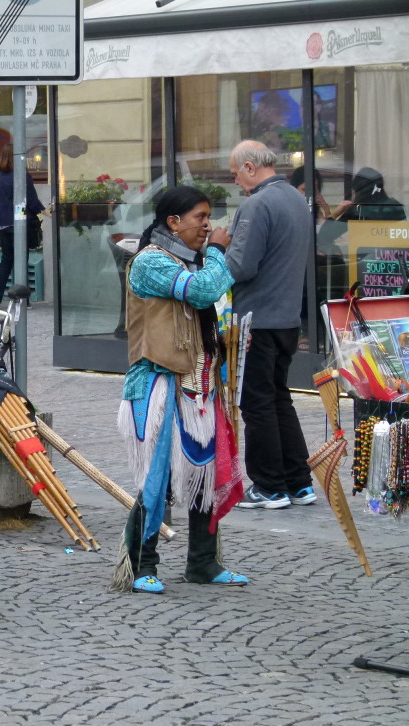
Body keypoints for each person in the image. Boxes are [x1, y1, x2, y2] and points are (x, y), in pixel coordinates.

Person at [111, 186, 247, 594]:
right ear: (173, 222)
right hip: (158, 385)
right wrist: (220, 252)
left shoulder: (192, 261)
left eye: (209, 218)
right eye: (199, 217)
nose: (207, 226)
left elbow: (204, 309)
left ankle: (204, 563)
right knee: (161, 479)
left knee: (204, 474)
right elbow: (202, 291)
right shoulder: (150, 261)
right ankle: (139, 565)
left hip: (200, 386)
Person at [227, 140, 316, 510]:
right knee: (280, 400)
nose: (235, 182)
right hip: (286, 318)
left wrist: (217, 251)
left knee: (258, 404)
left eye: (235, 174)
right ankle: (298, 482)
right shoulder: (297, 200)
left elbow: (242, 266)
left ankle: (269, 486)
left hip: (257, 319)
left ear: (250, 167)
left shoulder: (256, 204)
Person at [0, 143, 46, 308]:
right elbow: (32, 201)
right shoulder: (22, 175)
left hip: (2, 223)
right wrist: (46, 211)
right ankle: (22, 298)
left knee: (6, 260)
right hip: (19, 224)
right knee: (21, 260)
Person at [331, 167, 406, 222]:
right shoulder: (394, 206)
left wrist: (336, 213)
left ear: (359, 190)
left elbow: (325, 236)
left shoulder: (358, 210)